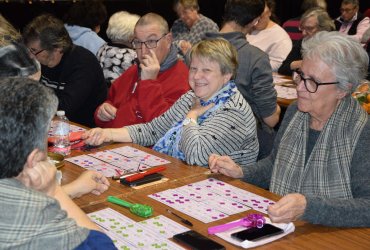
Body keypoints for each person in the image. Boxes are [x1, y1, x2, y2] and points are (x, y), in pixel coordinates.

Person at [209, 31, 370, 227]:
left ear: (343, 89)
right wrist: (241, 172)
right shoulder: (296, 112)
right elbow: (275, 164)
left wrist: (308, 207)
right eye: (301, 76)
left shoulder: (361, 132)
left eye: (312, 81)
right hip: (288, 228)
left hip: (334, 236)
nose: (300, 87)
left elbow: (366, 207)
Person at [84, 38, 259, 167]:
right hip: (184, 176)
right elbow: (153, 130)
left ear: (226, 75)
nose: (197, 76)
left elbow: (196, 157)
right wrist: (108, 134)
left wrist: (191, 116)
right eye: (194, 68)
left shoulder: (233, 110)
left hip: (221, 190)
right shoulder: (193, 98)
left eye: (206, 70)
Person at [0, 77, 115, 248]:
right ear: (34, 160)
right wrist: (54, 191)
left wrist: (71, 190)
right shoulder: (42, 231)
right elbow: (102, 246)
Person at [205, 0, 280, 160]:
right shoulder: (256, 58)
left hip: (202, 135)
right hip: (243, 145)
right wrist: (278, 110)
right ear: (255, 21)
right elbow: (271, 119)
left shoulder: (196, 49)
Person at [94, 13, 190, 128]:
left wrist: (149, 83)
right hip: (112, 140)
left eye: (151, 41)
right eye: (138, 42)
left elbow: (164, 129)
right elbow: (110, 101)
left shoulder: (183, 79)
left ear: (168, 40)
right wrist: (102, 112)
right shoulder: (133, 70)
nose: (143, 51)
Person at [23, 14, 107, 128]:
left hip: (85, 131)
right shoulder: (47, 60)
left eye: (34, 51)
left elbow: (64, 108)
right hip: (57, 127)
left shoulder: (83, 63)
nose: (31, 56)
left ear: (57, 48)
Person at [278, 7, 335, 76]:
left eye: (309, 28)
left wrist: (297, 65)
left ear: (324, 28)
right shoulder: (303, 41)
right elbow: (283, 69)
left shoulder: (334, 45)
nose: (303, 33)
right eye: (302, 28)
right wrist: (303, 63)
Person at [246, 0, 292, 71]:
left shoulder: (280, 36)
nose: (256, 21)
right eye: (253, 16)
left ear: (269, 12)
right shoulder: (246, 27)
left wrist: (249, 65)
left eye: (261, 16)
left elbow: (278, 64)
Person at [97, 11, 140, 87]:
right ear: (131, 34)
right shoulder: (132, 55)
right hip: (120, 96)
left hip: (100, 94)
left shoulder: (102, 48)